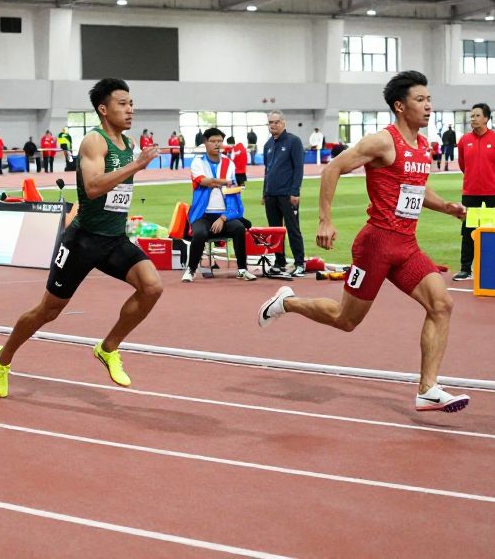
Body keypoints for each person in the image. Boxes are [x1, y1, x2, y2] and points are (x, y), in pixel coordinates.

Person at [258, 70, 470, 413]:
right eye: (421, 100)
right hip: (376, 245)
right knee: (346, 320)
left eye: (429, 99)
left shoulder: (422, 146)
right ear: (400, 107)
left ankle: (428, 388)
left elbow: (413, 188)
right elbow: (332, 169)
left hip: (406, 245)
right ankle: (288, 302)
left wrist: (445, 206)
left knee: (441, 305)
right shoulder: (382, 142)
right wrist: (326, 219)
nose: (429, 106)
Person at [0, 78, 163, 398]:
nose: (130, 109)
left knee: (152, 287)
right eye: (122, 104)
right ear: (103, 109)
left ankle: (108, 348)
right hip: (81, 241)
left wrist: (134, 163)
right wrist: (137, 165)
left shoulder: (127, 143)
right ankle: (3, 357)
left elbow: (117, 190)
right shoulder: (94, 143)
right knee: (48, 312)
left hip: (113, 239)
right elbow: (94, 187)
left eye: (131, 103)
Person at [182, 128, 255, 283]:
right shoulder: (198, 162)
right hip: (202, 215)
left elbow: (233, 193)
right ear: (205, 142)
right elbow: (203, 181)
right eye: (213, 141)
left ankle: (242, 269)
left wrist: (223, 218)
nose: (217, 144)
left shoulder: (229, 164)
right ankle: (191, 270)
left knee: (239, 228)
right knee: (200, 234)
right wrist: (223, 181)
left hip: (223, 214)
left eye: (219, 141)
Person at [453, 103, 495, 281]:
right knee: (468, 230)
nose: (473, 119)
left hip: (492, 193)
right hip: (470, 193)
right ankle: (465, 268)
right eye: (471, 116)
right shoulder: (464, 140)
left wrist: (491, 180)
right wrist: (474, 180)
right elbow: (463, 165)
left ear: (486, 118)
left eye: (477, 116)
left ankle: (492, 268)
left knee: (492, 231)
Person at [262, 111, 305, 276]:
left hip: (287, 195)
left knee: (293, 229)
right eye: (270, 123)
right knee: (274, 230)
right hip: (271, 194)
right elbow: (268, 171)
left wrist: (295, 191)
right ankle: (279, 262)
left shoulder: (294, 141)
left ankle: (299, 263)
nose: (273, 125)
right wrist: (264, 192)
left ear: (283, 122)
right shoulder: (268, 145)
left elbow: (298, 168)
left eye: (276, 122)